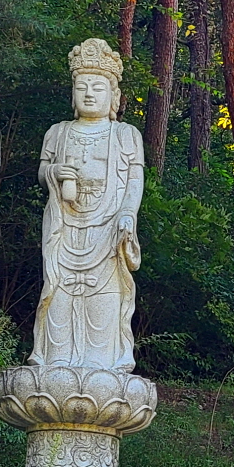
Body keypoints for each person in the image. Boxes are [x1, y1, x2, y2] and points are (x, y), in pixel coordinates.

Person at [29, 38, 145, 371]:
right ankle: (57, 359)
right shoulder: (58, 132)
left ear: (114, 96)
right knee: (58, 289)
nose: (89, 94)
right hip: (63, 224)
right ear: (73, 95)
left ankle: (100, 362)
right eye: (82, 88)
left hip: (108, 225)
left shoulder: (126, 135)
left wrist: (127, 214)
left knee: (105, 292)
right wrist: (54, 172)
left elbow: (134, 180)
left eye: (98, 88)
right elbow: (42, 173)